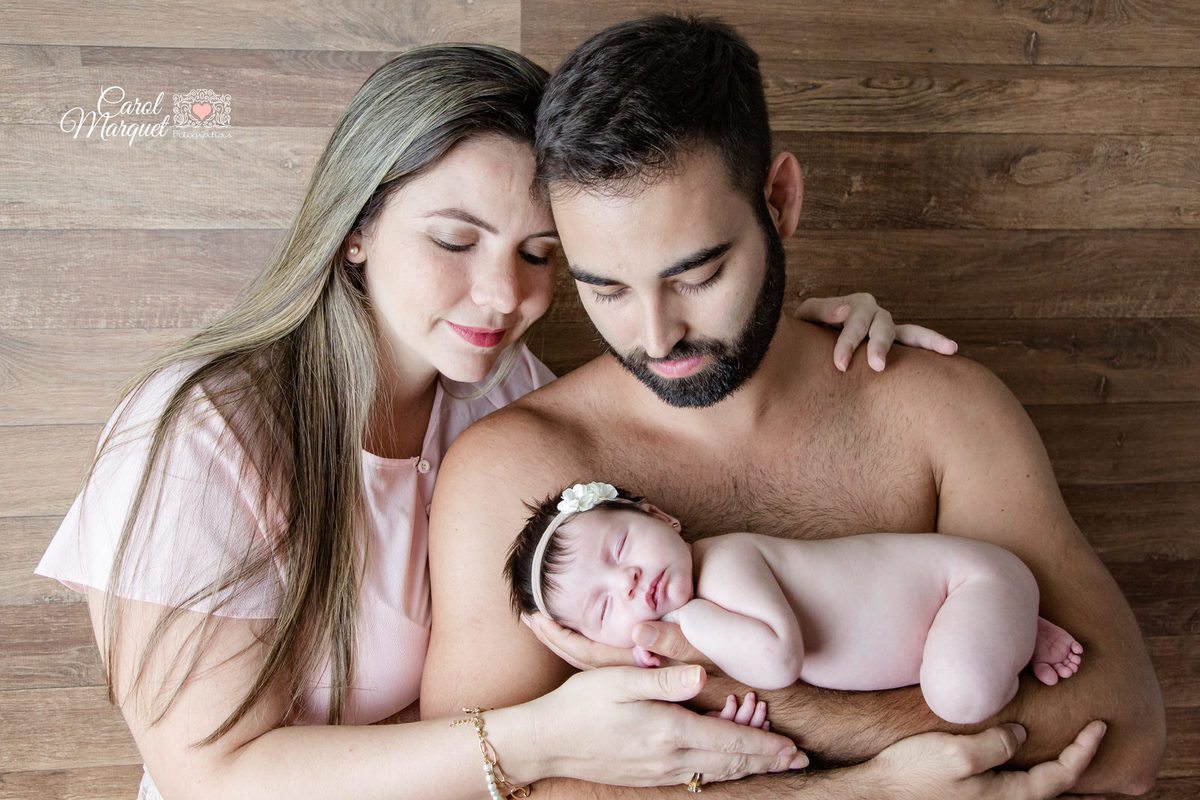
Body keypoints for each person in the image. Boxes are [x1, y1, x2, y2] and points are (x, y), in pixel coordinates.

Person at [33, 43, 952, 800]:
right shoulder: (203, 434)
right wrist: (531, 740)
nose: (503, 294)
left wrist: (784, 332)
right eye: (453, 239)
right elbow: (208, 776)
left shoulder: (501, 395)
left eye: (539, 253)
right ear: (356, 227)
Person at [420, 15, 1165, 797]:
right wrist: (848, 787)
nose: (656, 334)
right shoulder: (513, 474)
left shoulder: (938, 409)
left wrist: (766, 706)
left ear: (778, 202)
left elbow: (1124, 735)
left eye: (696, 275)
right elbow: (477, 789)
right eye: (604, 288)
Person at [506, 481, 1084, 724]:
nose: (628, 581)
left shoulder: (724, 565)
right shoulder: (698, 622)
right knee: (952, 681)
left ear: (661, 517)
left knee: (960, 696)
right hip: (947, 616)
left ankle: (1014, 629)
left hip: (964, 583)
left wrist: (689, 619)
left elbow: (779, 662)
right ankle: (1006, 629)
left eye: (622, 546)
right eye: (605, 609)